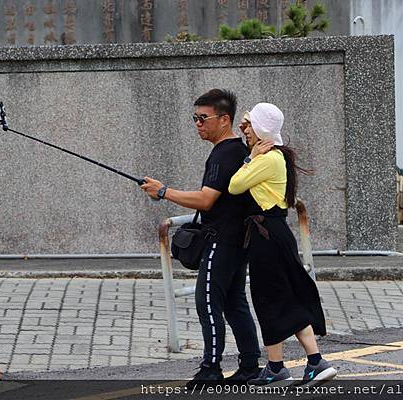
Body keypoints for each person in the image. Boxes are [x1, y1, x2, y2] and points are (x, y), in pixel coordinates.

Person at [140, 89, 261, 385]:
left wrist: (164, 192)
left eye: (202, 118)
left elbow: (207, 200)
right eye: (194, 118)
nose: (197, 123)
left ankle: (211, 368)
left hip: (223, 240)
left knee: (207, 301)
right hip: (238, 240)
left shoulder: (226, 153)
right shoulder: (236, 150)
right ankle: (249, 366)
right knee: (234, 302)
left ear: (224, 119)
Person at [228, 103, 338, 385]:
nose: (245, 130)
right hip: (275, 233)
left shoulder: (266, 159)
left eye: (248, 125)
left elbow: (235, 185)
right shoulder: (279, 156)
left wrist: (249, 158)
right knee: (285, 297)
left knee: (268, 298)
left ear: (262, 129)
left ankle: (283, 367)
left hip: (267, 236)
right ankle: (309, 362)